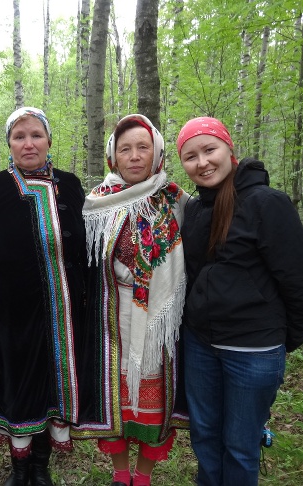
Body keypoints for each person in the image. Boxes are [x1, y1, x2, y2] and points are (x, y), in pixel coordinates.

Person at [176, 117, 303, 485]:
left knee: (240, 447)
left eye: (209, 150)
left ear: (229, 150)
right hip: (201, 347)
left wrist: (282, 338)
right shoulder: (195, 209)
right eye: (191, 156)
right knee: (205, 437)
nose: (202, 162)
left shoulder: (266, 203)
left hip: (253, 352)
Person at [0, 107, 86, 486]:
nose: (28, 143)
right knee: (18, 388)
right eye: (19, 137)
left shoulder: (70, 185)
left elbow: (85, 249)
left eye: (36, 135)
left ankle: (40, 467)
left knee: (51, 388)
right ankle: (19, 469)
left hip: (62, 313)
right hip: (8, 315)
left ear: (49, 140)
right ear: (9, 144)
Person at [82, 114, 189, 486]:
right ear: (113, 156)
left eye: (143, 147)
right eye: (125, 148)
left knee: (153, 401)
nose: (134, 156)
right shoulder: (97, 203)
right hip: (112, 316)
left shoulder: (176, 200)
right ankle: (120, 473)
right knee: (116, 396)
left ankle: (143, 476)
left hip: (160, 317)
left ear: (156, 152)